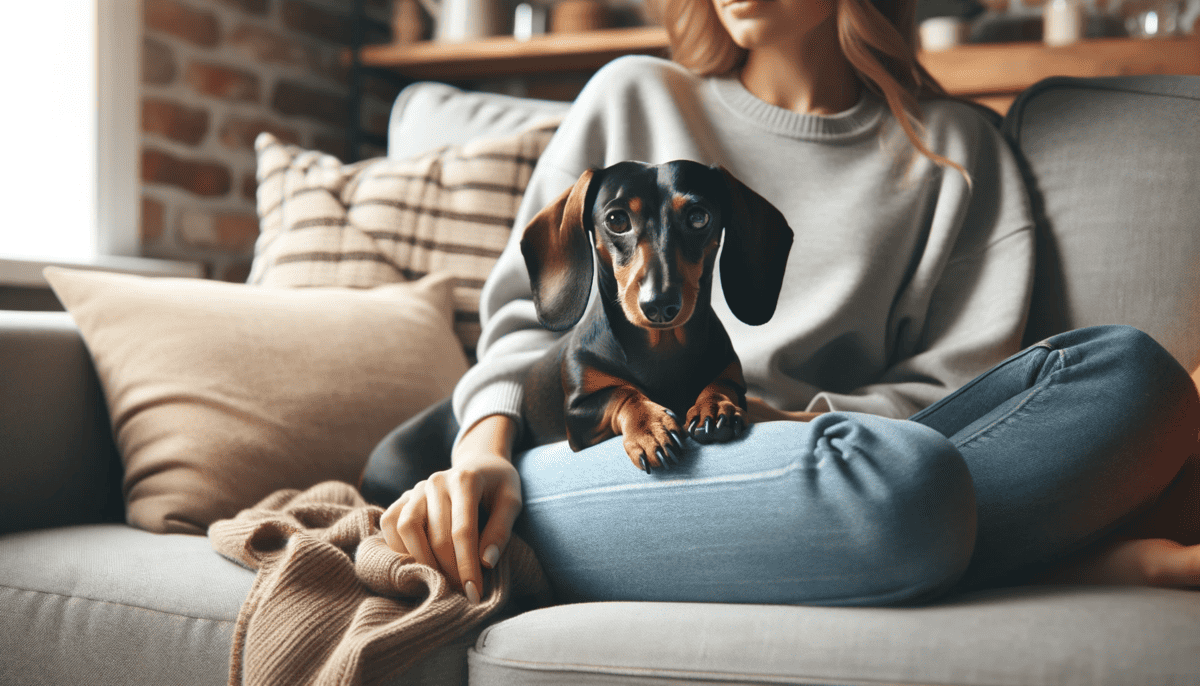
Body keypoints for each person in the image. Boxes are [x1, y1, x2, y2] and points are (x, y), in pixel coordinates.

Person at [376, 0, 1200, 606]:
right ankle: (1047, 559)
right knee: (909, 491)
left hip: (837, 457)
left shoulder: (956, 152)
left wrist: (783, 419)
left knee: (1136, 375)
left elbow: (959, 399)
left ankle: (917, 541)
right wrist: (481, 457)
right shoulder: (634, 95)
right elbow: (530, 325)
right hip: (621, 452)